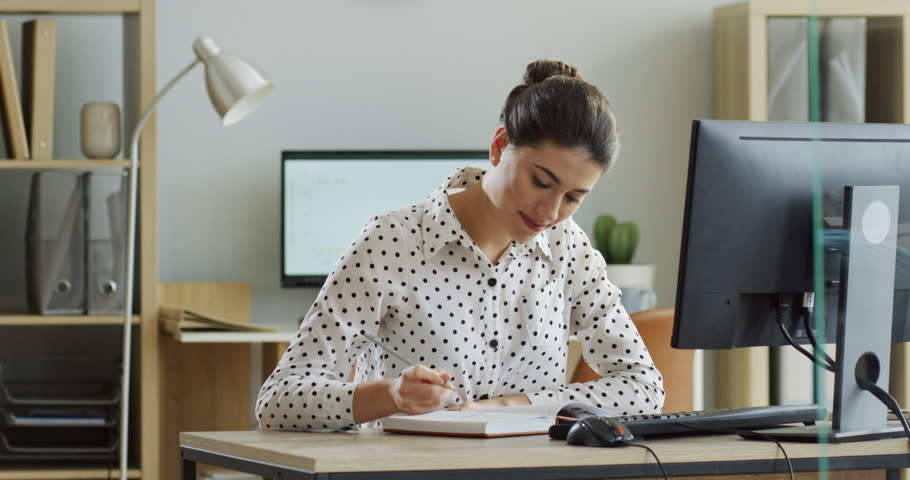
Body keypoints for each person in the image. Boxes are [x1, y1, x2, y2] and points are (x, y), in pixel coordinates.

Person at [256, 59, 665, 432]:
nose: (550, 212)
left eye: (574, 197)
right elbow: (276, 402)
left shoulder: (568, 248)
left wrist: (522, 405)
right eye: (541, 181)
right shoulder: (391, 241)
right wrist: (389, 396)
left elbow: (643, 387)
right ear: (500, 146)